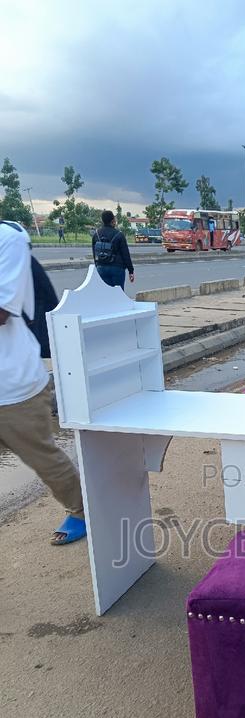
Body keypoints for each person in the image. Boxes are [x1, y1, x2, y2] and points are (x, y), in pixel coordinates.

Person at [0, 219, 86, 545]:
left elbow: (2, 311)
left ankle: (81, 511)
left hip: (13, 387)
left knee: (45, 460)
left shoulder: (7, 239)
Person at [91, 210, 135, 290]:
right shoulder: (119, 235)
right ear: (113, 220)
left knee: (106, 294)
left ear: (102, 220)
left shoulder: (96, 235)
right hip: (117, 268)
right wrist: (130, 271)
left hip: (101, 267)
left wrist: (98, 266)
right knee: (119, 295)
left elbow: (95, 254)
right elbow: (125, 254)